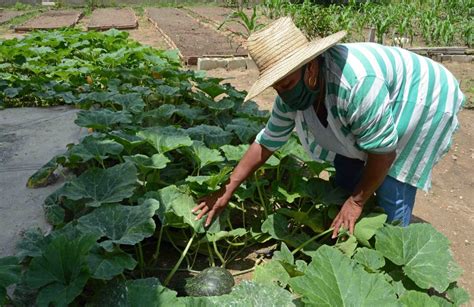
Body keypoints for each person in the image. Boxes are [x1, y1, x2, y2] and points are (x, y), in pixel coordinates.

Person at [192, 17, 465, 239]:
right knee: (347, 166)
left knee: (393, 182)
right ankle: (353, 222)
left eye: (284, 84)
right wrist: (228, 188)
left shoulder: (356, 85)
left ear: (310, 69)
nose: (282, 93)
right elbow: (267, 141)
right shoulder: (294, 88)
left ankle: (395, 249)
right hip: (377, 96)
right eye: (276, 86)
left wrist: (357, 202)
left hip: (423, 97)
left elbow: (384, 153)